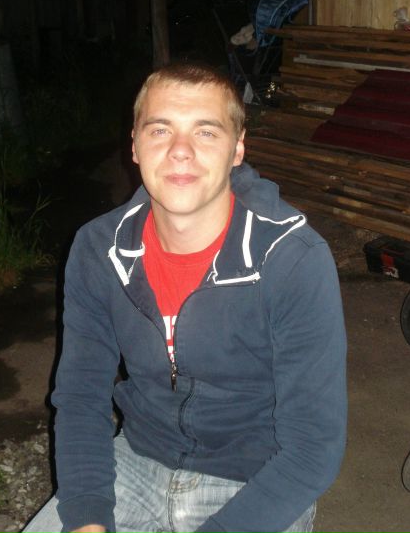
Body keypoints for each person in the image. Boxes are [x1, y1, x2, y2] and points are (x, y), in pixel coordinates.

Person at [23, 62, 347, 533]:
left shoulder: (292, 259)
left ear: (238, 148)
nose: (180, 151)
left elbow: (313, 447)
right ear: (134, 145)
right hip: (137, 458)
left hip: (255, 479)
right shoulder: (99, 248)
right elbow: (81, 394)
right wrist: (87, 515)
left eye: (206, 132)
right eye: (160, 130)